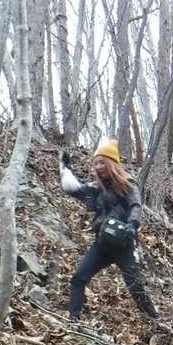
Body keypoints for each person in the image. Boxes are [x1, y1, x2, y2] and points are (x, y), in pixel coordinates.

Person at [59, 138, 159, 322]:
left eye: (102, 162)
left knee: (135, 287)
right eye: (96, 163)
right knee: (78, 278)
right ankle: (73, 320)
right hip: (102, 244)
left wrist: (132, 225)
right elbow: (74, 189)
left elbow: (136, 205)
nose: (98, 167)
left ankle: (154, 320)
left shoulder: (127, 183)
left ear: (111, 163)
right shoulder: (96, 187)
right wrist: (65, 168)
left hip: (124, 244)